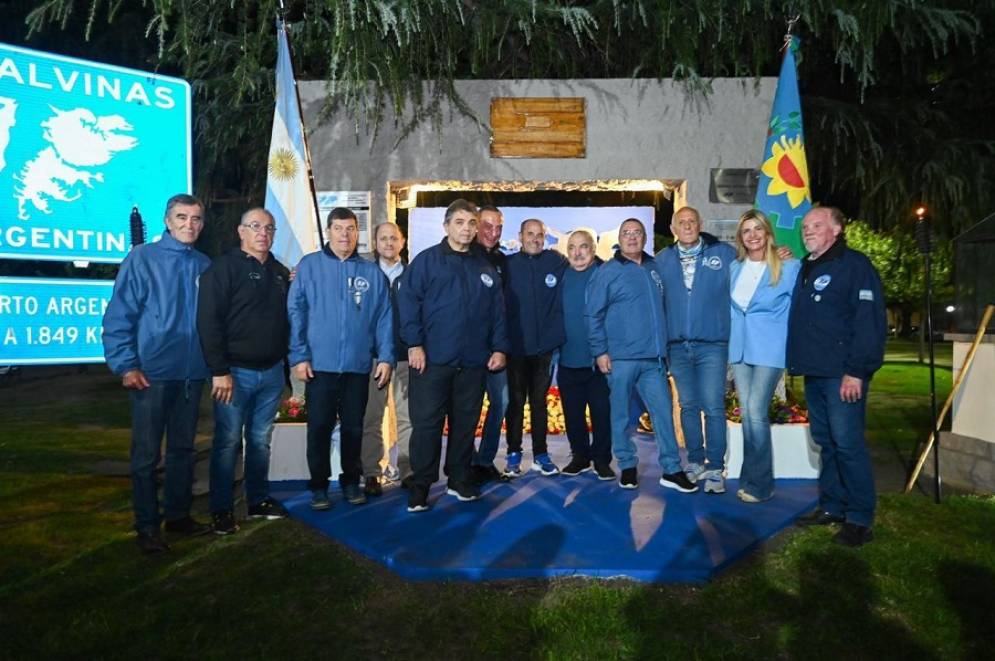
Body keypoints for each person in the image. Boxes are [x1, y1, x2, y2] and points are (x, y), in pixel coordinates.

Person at [103, 193, 212, 553]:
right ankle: (147, 527)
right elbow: (120, 316)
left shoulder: (204, 264)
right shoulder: (142, 259)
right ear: (167, 221)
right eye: (182, 218)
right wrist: (126, 364)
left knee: (183, 451)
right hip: (150, 374)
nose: (189, 225)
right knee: (147, 455)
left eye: (195, 219)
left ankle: (178, 516)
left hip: (191, 375)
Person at [398, 199, 509, 512]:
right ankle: (421, 485)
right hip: (432, 362)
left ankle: (459, 479)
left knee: (464, 425)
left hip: (472, 363)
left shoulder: (484, 266)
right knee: (427, 426)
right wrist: (414, 344)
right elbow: (408, 304)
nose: (467, 228)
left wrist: (499, 347)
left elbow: (498, 312)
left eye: (471, 223)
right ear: (446, 226)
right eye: (460, 222)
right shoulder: (427, 261)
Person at [787, 206, 886, 547]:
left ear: (837, 229)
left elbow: (869, 322)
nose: (808, 231)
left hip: (843, 375)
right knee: (826, 443)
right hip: (816, 373)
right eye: (805, 227)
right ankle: (832, 506)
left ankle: (859, 517)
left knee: (848, 445)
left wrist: (856, 372)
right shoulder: (807, 266)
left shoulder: (854, 266)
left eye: (816, 225)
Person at [288, 207, 394, 510]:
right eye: (338, 228)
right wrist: (299, 356)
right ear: (329, 231)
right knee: (319, 427)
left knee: (353, 428)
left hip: (357, 367)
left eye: (350, 229)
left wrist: (385, 357)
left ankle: (351, 482)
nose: (344, 235)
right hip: (318, 366)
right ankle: (319, 486)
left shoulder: (371, 272)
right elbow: (295, 312)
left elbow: (384, 318)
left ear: (357, 232)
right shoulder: (309, 267)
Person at [196, 207, 291, 535]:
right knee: (227, 442)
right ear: (241, 231)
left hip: (272, 372)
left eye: (269, 227)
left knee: (260, 440)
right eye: (255, 226)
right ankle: (221, 509)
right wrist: (219, 370)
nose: (262, 233)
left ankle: (257, 500)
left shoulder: (279, 272)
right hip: (235, 374)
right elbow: (208, 322)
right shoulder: (222, 269)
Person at [586, 218, 695, 492]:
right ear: (619, 239)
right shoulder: (608, 271)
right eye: (626, 233)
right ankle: (628, 466)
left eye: (637, 232)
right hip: (620, 359)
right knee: (620, 416)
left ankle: (671, 469)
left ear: (644, 237)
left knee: (663, 414)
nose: (632, 237)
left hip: (653, 361)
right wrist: (600, 351)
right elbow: (592, 314)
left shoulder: (654, 267)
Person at [656, 206, 737, 494]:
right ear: (673, 227)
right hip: (677, 347)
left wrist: (781, 256)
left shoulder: (724, 254)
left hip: (712, 345)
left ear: (700, 224)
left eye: (692, 221)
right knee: (688, 406)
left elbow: (754, 269)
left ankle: (715, 467)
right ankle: (695, 461)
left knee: (713, 406)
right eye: (682, 222)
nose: (687, 225)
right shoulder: (661, 260)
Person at [728, 209, 801, 503]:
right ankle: (751, 478)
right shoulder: (734, 268)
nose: (753, 235)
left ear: (767, 233)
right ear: (741, 238)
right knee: (748, 414)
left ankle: (760, 485)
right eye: (747, 231)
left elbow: (799, 310)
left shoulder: (788, 266)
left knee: (756, 411)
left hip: (770, 349)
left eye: (758, 229)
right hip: (740, 349)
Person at [502, 219, 568, 477]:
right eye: (530, 234)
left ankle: (541, 454)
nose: (535, 239)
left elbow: (584, 266)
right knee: (516, 403)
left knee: (539, 403)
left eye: (539, 235)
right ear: (520, 236)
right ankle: (513, 453)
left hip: (544, 350)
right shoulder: (507, 266)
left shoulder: (557, 262)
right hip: (515, 349)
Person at [359, 222, 412, 496]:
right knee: (372, 416)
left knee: (407, 417)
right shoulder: (366, 274)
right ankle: (371, 472)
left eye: (394, 238)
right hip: (374, 357)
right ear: (375, 242)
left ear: (402, 241)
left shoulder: (413, 275)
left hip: (404, 357)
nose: (389, 243)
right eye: (383, 238)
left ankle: (408, 470)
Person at [558, 230, 614, 480]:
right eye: (572, 247)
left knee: (601, 415)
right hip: (568, 360)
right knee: (573, 415)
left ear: (593, 249)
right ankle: (579, 457)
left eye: (583, 247)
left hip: (597, 362)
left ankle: (602, 461)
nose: (577, 253)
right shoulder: (561, 276)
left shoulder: (605, 275)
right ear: (566, 251)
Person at [470, 205, 511, 485]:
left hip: (495, 350)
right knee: (468, 409)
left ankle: (484, 461)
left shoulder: (502, 260)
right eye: (487, 225)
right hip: (468, 351)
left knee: (501, 402)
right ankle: (466, 463)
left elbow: (503, 309)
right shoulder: (462, 255)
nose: (493, 233)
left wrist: (501, 347)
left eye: (498, 228)